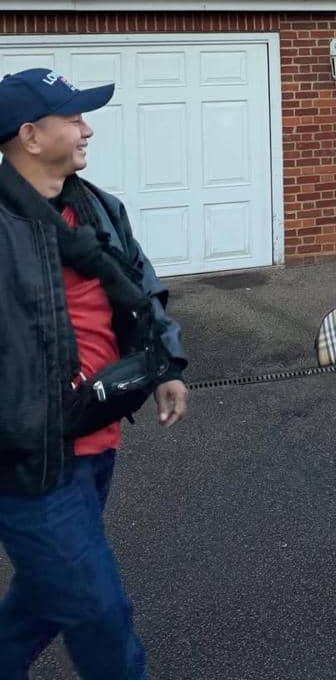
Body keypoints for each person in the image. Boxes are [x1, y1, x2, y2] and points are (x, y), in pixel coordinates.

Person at [0, 69, 188, 678]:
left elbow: (141, 290)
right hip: (28, 458)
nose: (88, 130)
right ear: (30, 136)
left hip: (97, 436)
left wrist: (165, 364)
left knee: (46, 595)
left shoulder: (100, 208)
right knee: (99, 611)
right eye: (74, 118)